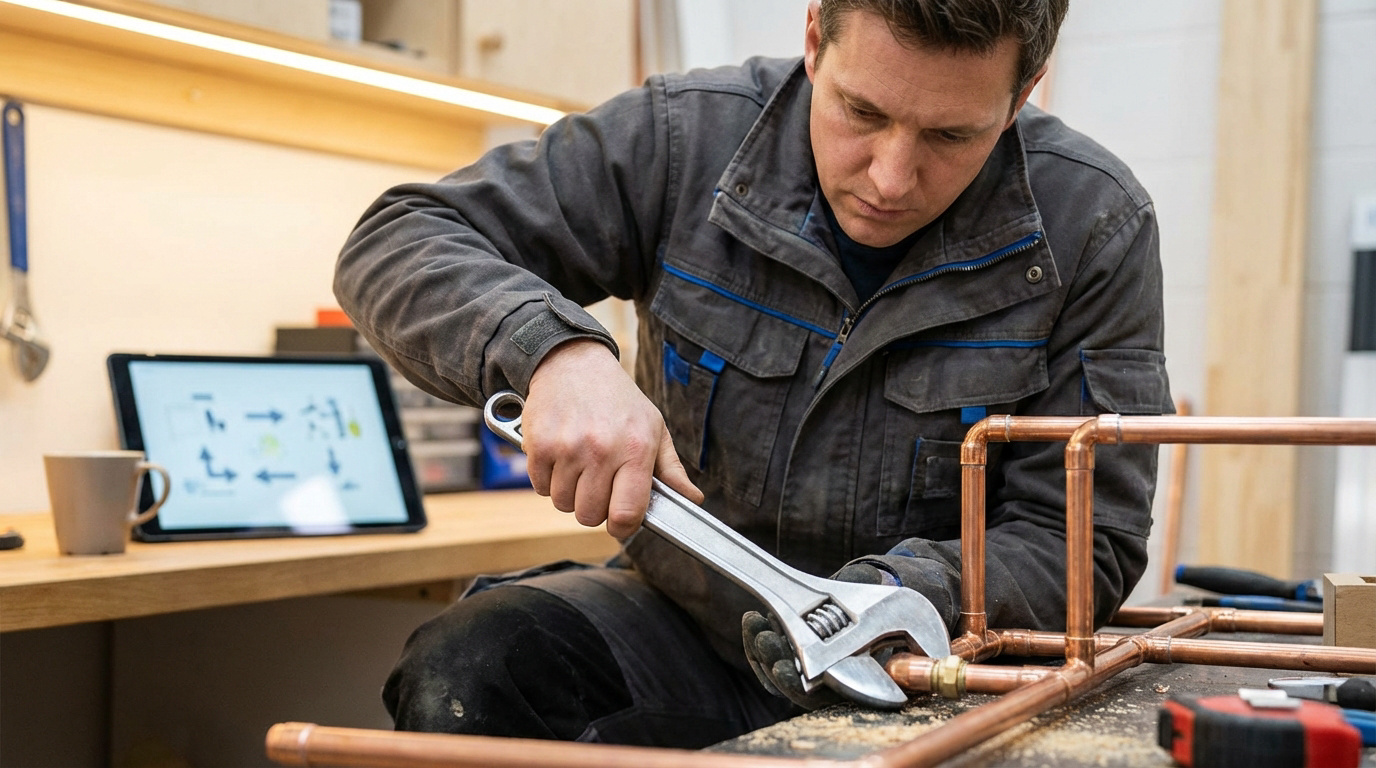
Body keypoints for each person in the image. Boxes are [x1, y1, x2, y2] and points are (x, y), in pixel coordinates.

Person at [335, 0, 1172, 749]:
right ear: (814, 38)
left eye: (951, 136)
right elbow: (401, 237)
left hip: (927, 675)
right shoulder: (681, 140)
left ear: (1023, 94)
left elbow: (1080, 544)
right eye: (861, 111)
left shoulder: (1094, 228)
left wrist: (898, 597)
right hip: (691, 630)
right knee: (477, 669)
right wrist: (552, 352)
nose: (889, 176)